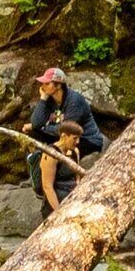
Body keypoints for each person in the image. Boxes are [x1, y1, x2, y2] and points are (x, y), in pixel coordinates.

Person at [25, 67, 104, 195]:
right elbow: (36, 123)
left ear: (58, 85)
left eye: (47, 83)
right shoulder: (49, 100)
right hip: (63, 136)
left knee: (55, 144)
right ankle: (37, 174)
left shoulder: (74, 100)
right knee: (31, 134)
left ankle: (55, 182)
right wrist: (43, 99)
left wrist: (43, 128)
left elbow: (66, 129)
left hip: (85, 139)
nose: (43, 85)